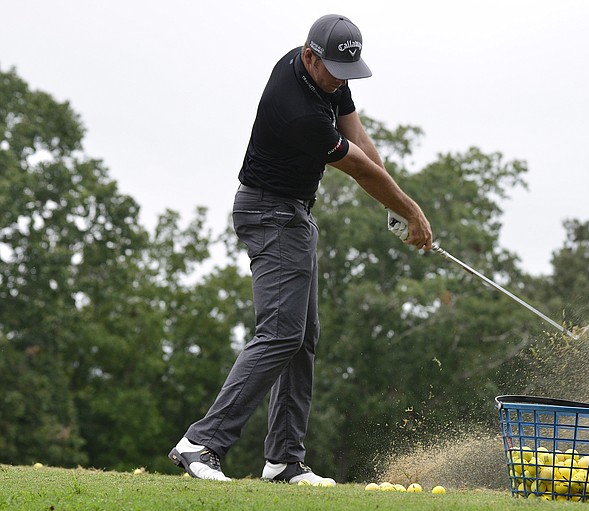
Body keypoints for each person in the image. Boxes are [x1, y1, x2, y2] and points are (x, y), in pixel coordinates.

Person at [168, 14, 432, 484]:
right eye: (334, 70)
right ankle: (201, 442)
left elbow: (361, 141)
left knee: (302, 338)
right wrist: (410, 210)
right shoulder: (297, 109)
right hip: (268, 213)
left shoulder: (327, 76)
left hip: (293, 215)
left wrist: (392, 197)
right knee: (280, 334)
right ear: (309, 56)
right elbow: (358, 169)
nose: (342, 82)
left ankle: (284, 461)